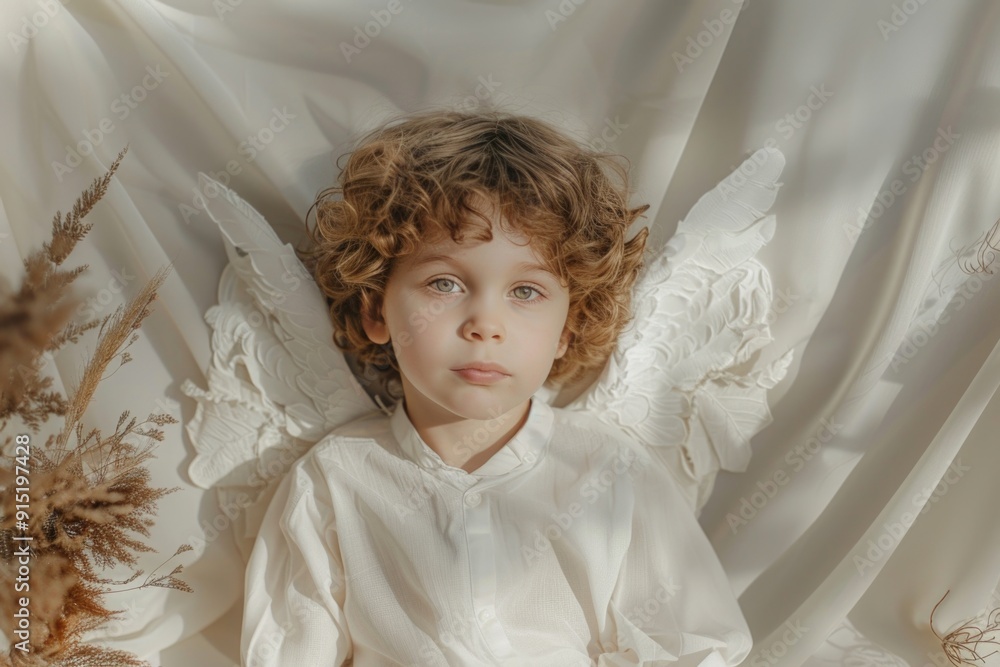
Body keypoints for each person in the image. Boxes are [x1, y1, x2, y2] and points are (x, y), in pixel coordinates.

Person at [240, 109, 752, 666]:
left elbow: (695, 646)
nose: (486, 323)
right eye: (445, 283)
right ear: (374, 309)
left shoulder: (611, 472)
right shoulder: (335, 481)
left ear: (569, 327)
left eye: (526, 291)